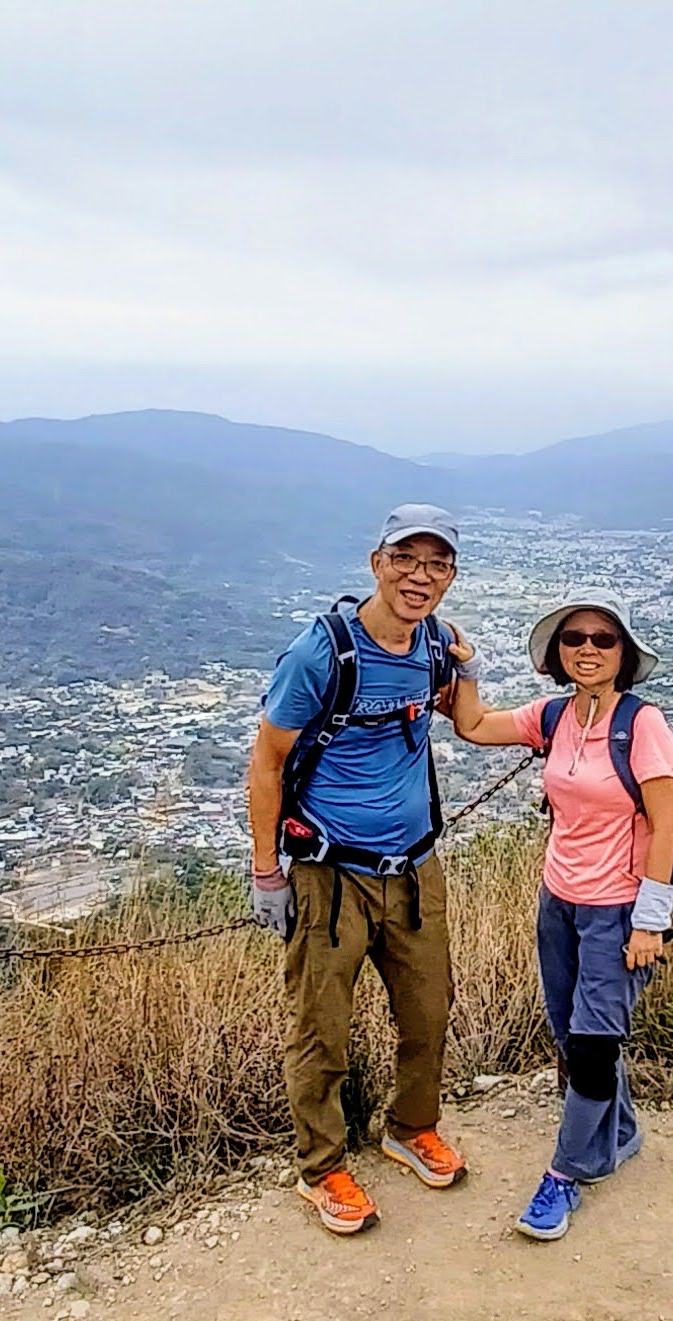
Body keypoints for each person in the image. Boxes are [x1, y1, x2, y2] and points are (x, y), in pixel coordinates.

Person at [247, 504, 480, 1235]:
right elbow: (267, 761)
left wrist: (470, 666)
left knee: (428, 1010)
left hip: (414, 866)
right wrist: (266, 871)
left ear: (451, 576)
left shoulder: (434, 645)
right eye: (405, 558)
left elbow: (466, 718)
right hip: (330, 872)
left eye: (436, 563)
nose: (420, 575)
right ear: (377, 563)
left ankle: (411, 1127)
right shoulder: (322, 653)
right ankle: (321, 1167)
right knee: (322, 1028)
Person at [448, 593, 673, 1241]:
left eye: (604, 639)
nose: (588, 648)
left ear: (624, 653)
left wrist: (650, 921)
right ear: (557, 652)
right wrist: (467, 669)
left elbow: (664, 826)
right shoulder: (554, 717)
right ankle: (619, 1133)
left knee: (594, 1042)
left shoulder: (643, 724)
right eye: (574, 638)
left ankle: (565, 1174)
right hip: (559, 899)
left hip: (619, 907)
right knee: (570, 1034)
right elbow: (474, 726)